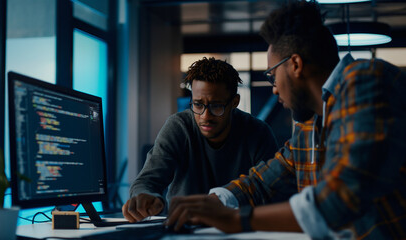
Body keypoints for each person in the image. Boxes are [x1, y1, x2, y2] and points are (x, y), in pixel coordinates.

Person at [165, 2, 406, 239]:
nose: (274, 89)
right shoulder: (311, 121)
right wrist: (213, 202)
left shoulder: (366, 81)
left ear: (295, 64)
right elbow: (262, 182)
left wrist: (236, 220)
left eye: (272, 76)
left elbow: (342, 197)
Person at [122, 57, 279, 222]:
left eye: (216, 106)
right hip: (184, 229)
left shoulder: (258, 132)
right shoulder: (179, 126)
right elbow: (147, 181)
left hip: (241, 228)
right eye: (198, 105)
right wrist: (145, 197)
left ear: (234, 102)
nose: (205, 116)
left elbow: (272, 190)